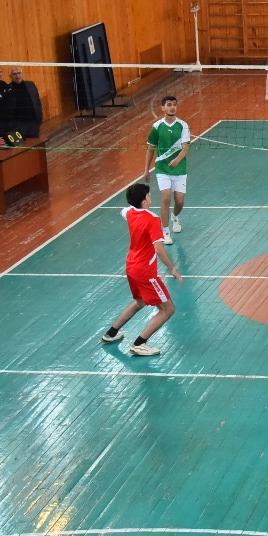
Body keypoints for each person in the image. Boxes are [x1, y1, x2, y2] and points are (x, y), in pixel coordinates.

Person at [101, 183, 184, 356]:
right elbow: (159, 249)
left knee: (140, 301)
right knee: (168, 309)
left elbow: (123, 211)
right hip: (145, 272)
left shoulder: (129, 212)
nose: (150, 195)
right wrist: (172, 269)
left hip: (131, 266)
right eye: (148, 194)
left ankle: (111, 333)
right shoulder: (152, 219)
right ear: (144, 201)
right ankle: (139, 343)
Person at [144, 95, 191, 245]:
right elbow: (150, 149)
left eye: (174, 105)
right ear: (163, 108)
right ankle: (165, 232)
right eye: (169, 105)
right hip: (162, 168)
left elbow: (185, 148)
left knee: (180, 201)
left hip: (179, 169)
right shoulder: (157, 126)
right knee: (165, 197)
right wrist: (146, 169)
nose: (172, 107)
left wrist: (177, 160)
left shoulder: (183, 125)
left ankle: (175, 217)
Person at [5, 67, 43, 139]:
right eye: (14, 74)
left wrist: (39, 118)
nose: (17, 76)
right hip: (18, 124)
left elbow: (37, 101)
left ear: (22, 74)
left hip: (33, 122)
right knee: (20, 144)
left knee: (35, 143)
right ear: (10, 76)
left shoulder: (31, 85)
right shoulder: (7, 89)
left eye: (19, 73)